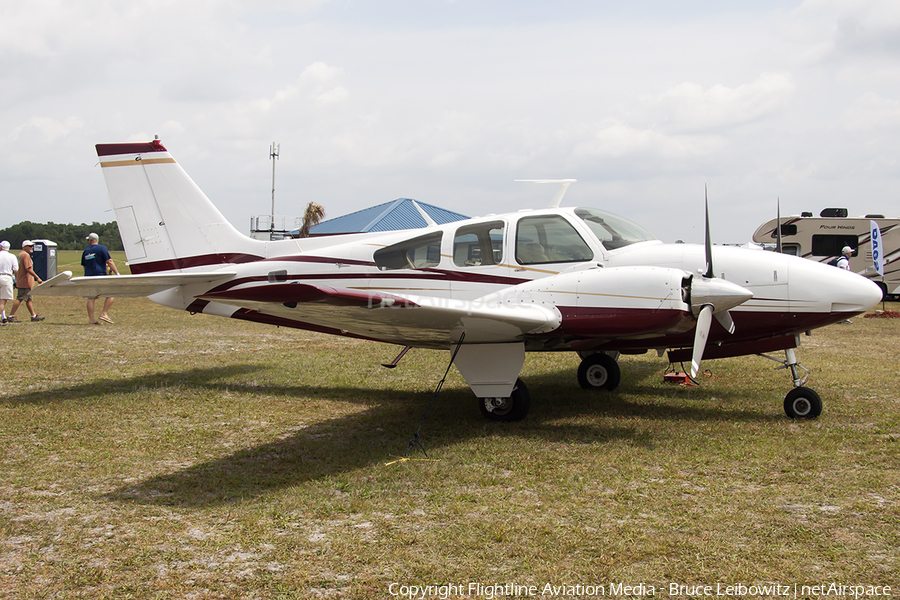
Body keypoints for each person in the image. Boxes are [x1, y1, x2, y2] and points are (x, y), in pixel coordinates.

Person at [82, 232, 120, 325]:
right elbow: (109, 261)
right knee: (111, 294)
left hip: (89, 276)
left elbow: (84, 265)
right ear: (97, 240)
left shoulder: (86, 251)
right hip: (100, 275)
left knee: (91, 298)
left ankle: (91, 320)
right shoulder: (102, 248)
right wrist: (117, 273)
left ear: (90, 240)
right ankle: (104, 313)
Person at [8, 240, 44, 322]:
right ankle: (10, 316)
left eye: (32, 246)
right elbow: (28, 269)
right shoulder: (25, 255)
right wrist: (37, 278)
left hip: (21, 280)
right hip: (25, 281)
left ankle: (33, 316)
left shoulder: (20, 255)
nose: (32, 247)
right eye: (30, 246)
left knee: (28, 299)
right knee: (20, 298)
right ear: (24, 247)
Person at [0, 240, 18, 324]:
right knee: (3, 300)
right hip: (7, 277)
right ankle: (2, 317)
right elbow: (15, 270)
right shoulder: (12, 256)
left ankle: (3, 317)